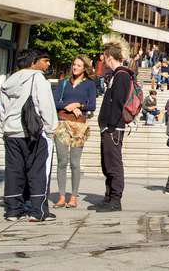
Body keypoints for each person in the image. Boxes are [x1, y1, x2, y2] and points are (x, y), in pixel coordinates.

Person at [0, 49, 58, 222]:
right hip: (31, 131)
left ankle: (13, 210)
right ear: (33, 62)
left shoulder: (9, 80)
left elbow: (1, 107)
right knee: (37, 170)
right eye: (44, 61)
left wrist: (3, 126)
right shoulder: (37, 77)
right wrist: (51, 127)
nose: (47, 65)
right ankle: (38, 210)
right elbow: (45, 104)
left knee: (14, 170)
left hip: (11, 131)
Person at [53, 55, 96, 209]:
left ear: (84, 68)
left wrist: (79, 105)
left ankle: (73, 196)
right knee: (62, 162)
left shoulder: (90, 84)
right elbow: (55, 101)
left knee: (74, 163)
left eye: (78, 65)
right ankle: (61, 196)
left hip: (79, 126)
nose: (75, 67)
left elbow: (92, 105)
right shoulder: (64, 82)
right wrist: (68, 106)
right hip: (62, 123)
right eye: (74, 64)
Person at [94, 42, 133, 212]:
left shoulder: (122, 75)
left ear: (110, 57)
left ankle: (115, 200)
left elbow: (118, 102)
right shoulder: (117, 75)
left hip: (114, 128)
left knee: (114, 164)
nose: (104, 62)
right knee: (107, 163)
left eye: (105, 58)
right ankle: (109, 196)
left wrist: (110, 125)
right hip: (110, 127)